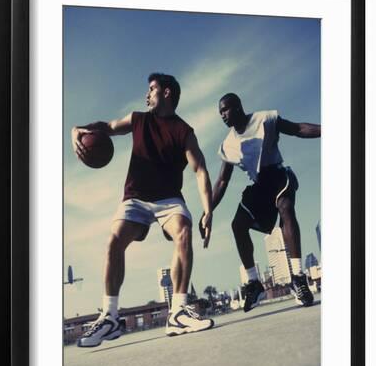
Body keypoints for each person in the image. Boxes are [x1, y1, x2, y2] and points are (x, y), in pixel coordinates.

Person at [72, 73, 214, 347]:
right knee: (114, 241)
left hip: (168, 199)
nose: (147, 94)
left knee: (184, 231)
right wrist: (78, 128)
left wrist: (208, 211)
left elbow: (200, 171)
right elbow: (108, 126)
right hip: (135, 198)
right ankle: (110, 317)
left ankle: (178, 313)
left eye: (151, 89)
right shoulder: (138, 119)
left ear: (167, 93)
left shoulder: (184, 132)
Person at [203, 92, 321, 312]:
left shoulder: (265, 119)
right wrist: (207, 211)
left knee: (285, 207)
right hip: (259, 186)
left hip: (277, 175)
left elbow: (297, 129)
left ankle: (298, 277)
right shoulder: (228, 145)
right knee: (237, 225)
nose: (223, 115)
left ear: (238, 107)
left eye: (225, 109)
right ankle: (254, 283)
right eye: (220, 112)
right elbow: (222, 181)